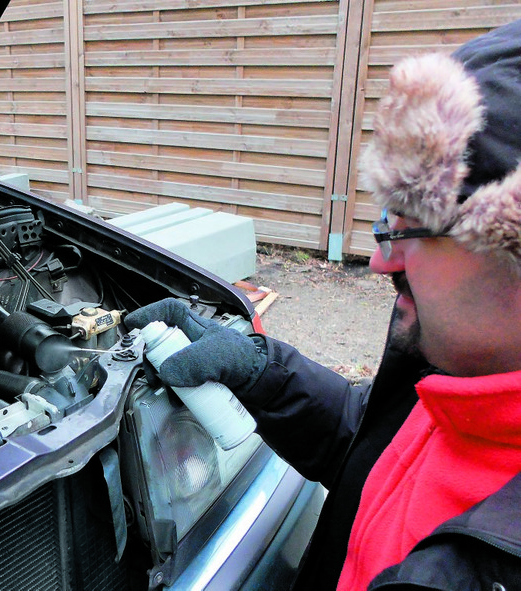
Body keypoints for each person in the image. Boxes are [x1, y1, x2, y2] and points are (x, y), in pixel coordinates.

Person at [125, 19, 521, 591]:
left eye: (417, 230)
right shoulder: (464, 391)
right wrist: (262, 371)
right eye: (389, 223)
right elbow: (374, 454)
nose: (382, 263)